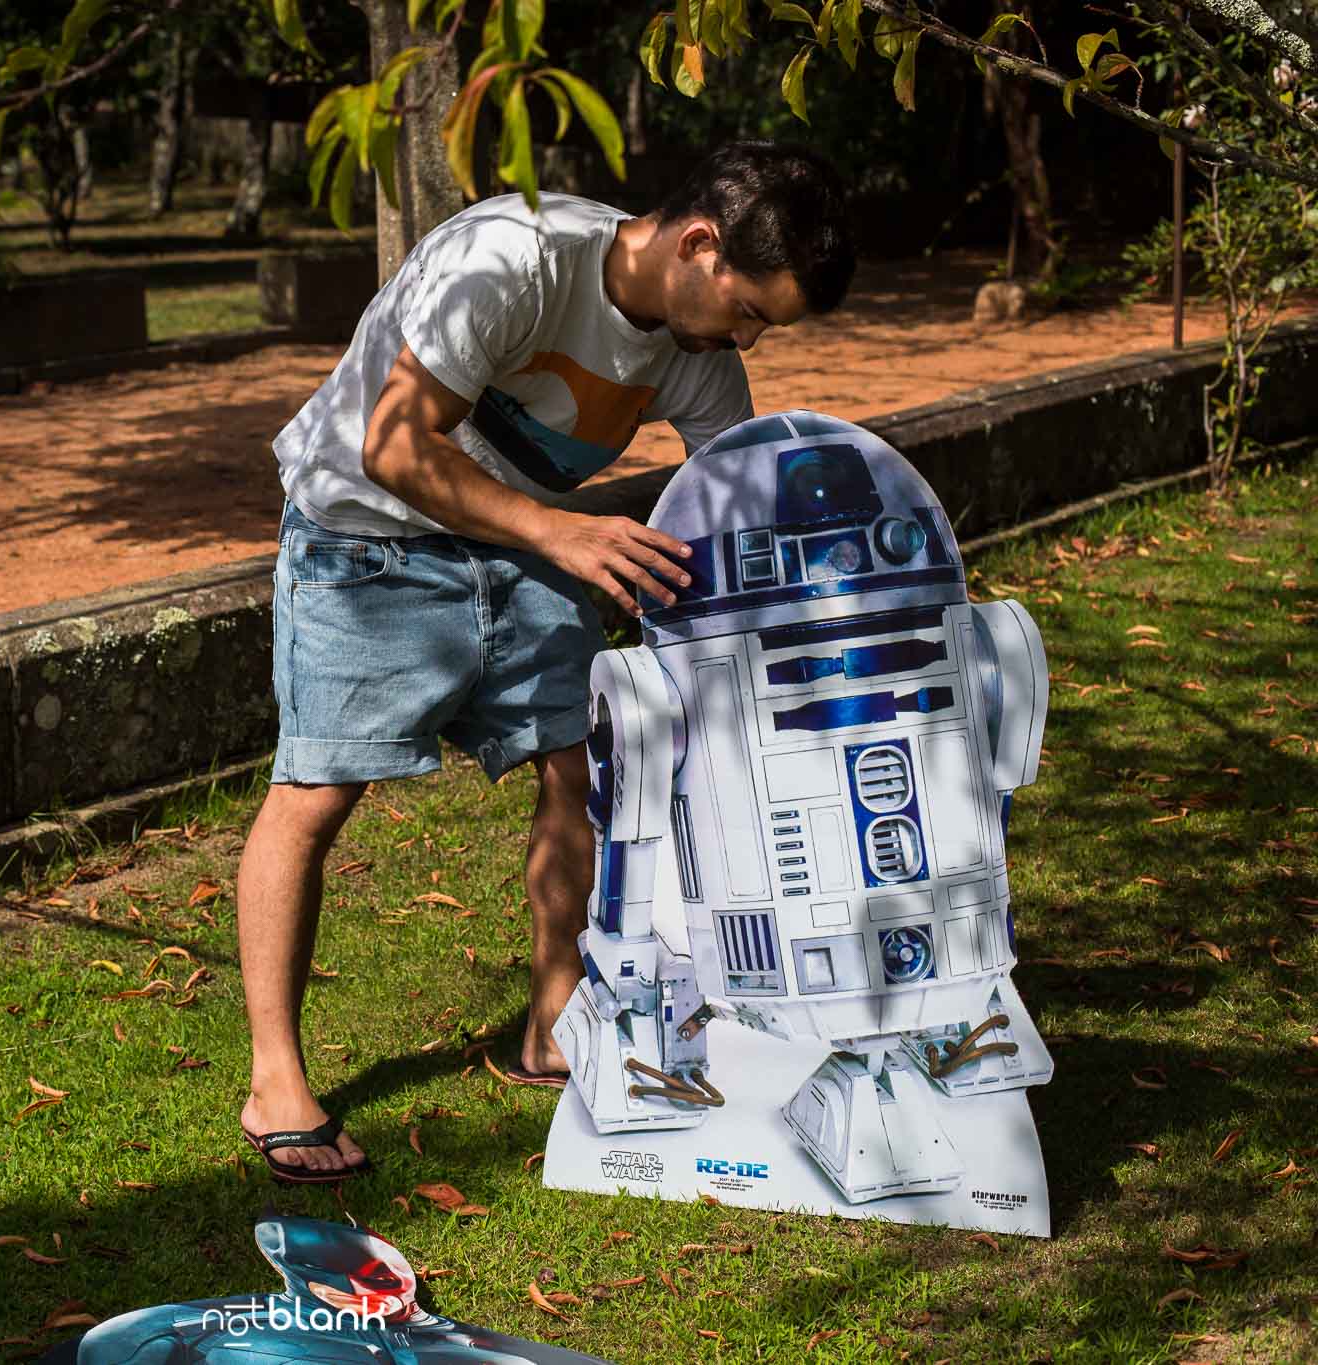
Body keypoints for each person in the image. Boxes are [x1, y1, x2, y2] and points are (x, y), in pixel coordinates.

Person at [235, 141, 858, 1181]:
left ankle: (552, 1020)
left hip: (518, 541)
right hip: (365, 538)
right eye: (749, 309)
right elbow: (393, 446)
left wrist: (836, 610)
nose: (747, 337)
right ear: (698, 244)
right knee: (315, 794)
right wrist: (564, 535)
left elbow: (743, 500)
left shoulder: (696, 355)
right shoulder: (509, 259)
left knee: (576, 767)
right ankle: (272, 1079)